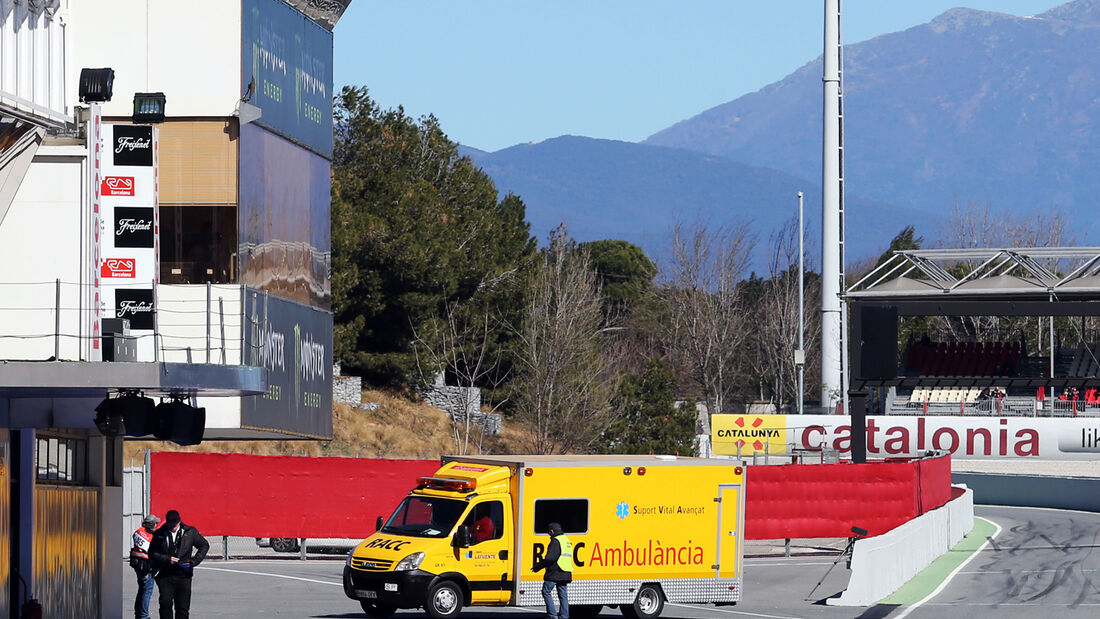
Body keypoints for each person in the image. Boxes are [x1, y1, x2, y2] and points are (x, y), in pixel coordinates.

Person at [150, 509, 209, 619]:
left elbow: (204, 545)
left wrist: (194, 562)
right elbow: (152, 553)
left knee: (182, 607)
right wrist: (167, 559)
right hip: (165, 574)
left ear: (179, 521)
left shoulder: (190, 532)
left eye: (174, 522)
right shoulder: (159, 533)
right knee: (165, 604)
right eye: (169, 522)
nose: (172, 525)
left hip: (183, 574)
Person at [532, 521, 572, 619]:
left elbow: (550, 558)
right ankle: (564, 616)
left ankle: (552, 615)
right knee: (563, 595)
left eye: (549, 532)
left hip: (555, 572)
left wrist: (537, 567)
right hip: (565, 571)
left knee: (546, 591)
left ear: (551, 531)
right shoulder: (566, 540)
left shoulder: (556, 541)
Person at [130, 514, 160, 618]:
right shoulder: (152, 537)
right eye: (155, 523)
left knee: (142, 590)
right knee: (147, 592)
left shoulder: (138, 532)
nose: (157, 525)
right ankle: (144, 616)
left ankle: (139, 614)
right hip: (147, 566)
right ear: (151, 524)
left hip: (138, 565)